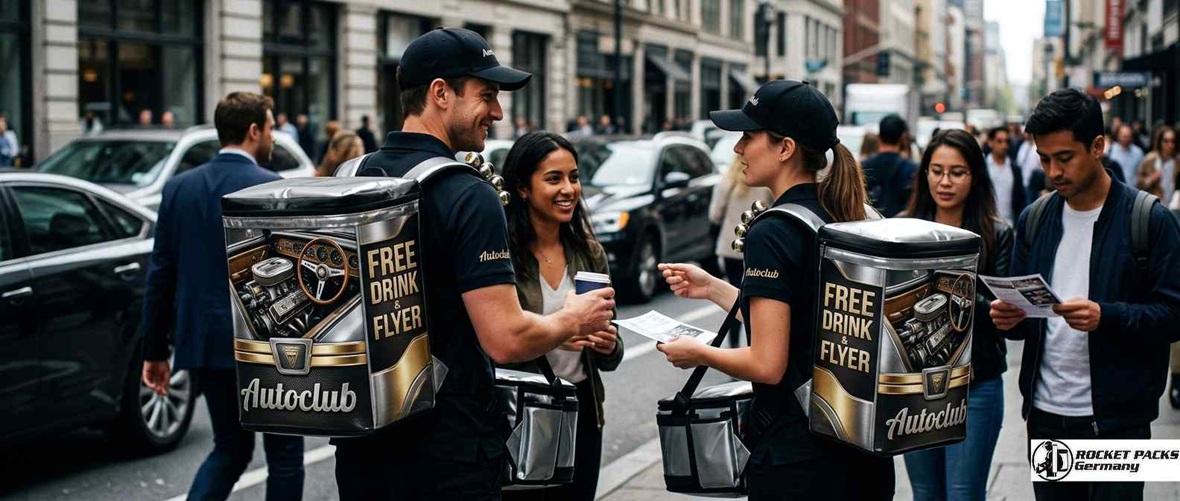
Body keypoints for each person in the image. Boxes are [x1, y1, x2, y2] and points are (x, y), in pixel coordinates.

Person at [332, 27, 616, 499]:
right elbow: (505, 339)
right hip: (448, 451)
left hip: (363, 443)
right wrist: (573, 319)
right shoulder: (468, 193)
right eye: (486, 96)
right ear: (440, 93)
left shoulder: (350, 176)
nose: (498, 112)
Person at [655, 80, 895, 500]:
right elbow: (800, 324)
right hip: (862, 454)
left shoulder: (773, 230)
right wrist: (713, 288)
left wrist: (698, 353)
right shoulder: (847, 213)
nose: (738, 149)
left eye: (748, 136)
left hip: (798, 459)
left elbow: (768, 363)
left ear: (785, 148)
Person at [990, 88, 1180, 501]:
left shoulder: (1150, 219)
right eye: (1044, 159)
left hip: (1121, 422)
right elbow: (1024, 320)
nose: (1053, 171)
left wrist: (1106, 316)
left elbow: (1173, 315)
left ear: (1097, 146)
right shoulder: (1035, 219)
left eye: (1064, 157)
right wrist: (1009, 319)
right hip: (1046, 417)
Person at [141, 92, 305, 500]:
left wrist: (155, 351)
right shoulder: (274, 188)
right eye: (270, 128)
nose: (273, 136)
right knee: (284, 453)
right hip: (268, 345)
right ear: (254, 131)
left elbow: (160, 275)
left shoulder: (179, 188)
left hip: (207, 341)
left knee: (229, 448)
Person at [499, 131, 624, 501]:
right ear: (522, 188)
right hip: (521, 408)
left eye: (574, 177)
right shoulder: (502, 256)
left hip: (583, 407)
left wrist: (608, 344)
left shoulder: (590, 253)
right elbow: (496, 344)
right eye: (554, 179)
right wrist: (557, 329)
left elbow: (611, 353)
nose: (568, 189)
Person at [900, 129, 1012, 501]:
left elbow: (1002, 314)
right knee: (925, 493)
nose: (945, 182)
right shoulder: (903, 231)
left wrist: (945, 285)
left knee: (964, 494)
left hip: (976, 386)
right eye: (937, 171)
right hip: (916, 387)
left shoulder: (996, 234)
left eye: (957, 172)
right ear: (925, 174)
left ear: (974, 177)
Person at [708, 156, 773, 348]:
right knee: (758, 299)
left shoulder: (726, 182)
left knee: (735, 299)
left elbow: (714, 215)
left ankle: (734, 344)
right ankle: (756, 344)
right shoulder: (765, 184)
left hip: (730, 248)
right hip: (759, 248)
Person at [863, 114, 919, 217]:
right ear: (902, 137)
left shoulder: (864, 166)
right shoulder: (912, 169)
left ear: (879, 136)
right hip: (901, 224)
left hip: (870, 223)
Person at [985, 126, 1028, 224]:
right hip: (986, 223)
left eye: (1006, 141)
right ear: (990, 142)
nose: (1004, 145)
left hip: (1009, 223)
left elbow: (1020, 198)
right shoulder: (983, 167)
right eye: (999, 141)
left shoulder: (1014, 169)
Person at [1135, 125, 1176, 201]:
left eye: (1172, 141)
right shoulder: (1150, 160)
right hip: (1156, 203)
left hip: (1173, 204)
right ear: (1160, 142)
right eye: (1166, 141)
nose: (1170, 145)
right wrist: (1150, 180)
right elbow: (1138, 183)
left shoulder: (1177, 162)